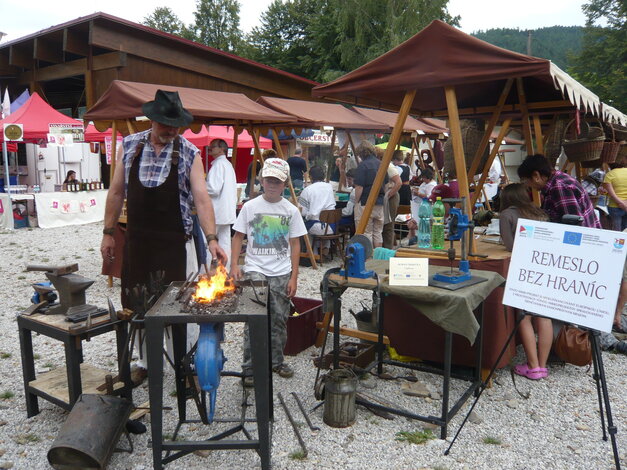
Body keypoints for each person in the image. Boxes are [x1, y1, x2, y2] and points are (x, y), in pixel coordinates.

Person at [100, 89, 226, 384]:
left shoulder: (188, 152)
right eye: (165, 124)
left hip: (174, 245)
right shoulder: (129, 145)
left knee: (182, 305)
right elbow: (116, 192)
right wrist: (107, 234)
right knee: (138, 304)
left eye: (175, 125)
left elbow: (202, 199)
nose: (171, 130)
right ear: (152, 119)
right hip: (139, 244)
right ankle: (145, 363)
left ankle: (186, 364)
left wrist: (211, 239)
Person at [231, 158, 307, 386]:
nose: (272, 184)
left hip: (281, 272)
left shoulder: (291, 210)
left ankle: (276, 361)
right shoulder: (250, 207)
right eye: (269, 180)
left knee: (279, 319)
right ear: (261, 180)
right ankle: (249, 368)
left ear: (284, 183)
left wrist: (294, 276)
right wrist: (235, 264)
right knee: (253, 319)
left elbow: (295, 244)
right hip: (255, 269)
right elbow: (238, 237)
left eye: (277, 181)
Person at [498, 183, 553, 379]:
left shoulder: (506, 215)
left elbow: (509, 245)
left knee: (525, 316)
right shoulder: (540, 213)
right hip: (545, 267)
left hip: (523, 269)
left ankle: (533, 365)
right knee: (544, 314)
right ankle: (543, 365)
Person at [517, 154, 601, 228]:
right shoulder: (555, 181)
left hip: (582, 241)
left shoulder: (560, 187)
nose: (528, 185)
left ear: (536, 176)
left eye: (526, 181)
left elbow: (573, 225)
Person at [206, 138, 237, 268]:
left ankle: (208, 271)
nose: (210, 148)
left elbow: (213, 188)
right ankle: (226, 270)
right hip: (226, 211)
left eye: (213, 146)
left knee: (209, 241)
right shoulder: (227, 165)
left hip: (217, 211)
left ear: (222, 149)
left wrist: (199, 186)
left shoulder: (219, 165)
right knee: (224, 242)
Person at [353, 141, 388, 248]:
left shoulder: (362, 165)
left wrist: (356, 202)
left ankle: (369, 260)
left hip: (365, 202)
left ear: (361, 154)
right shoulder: (381, 164)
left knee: (366, 232)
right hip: (380, 202)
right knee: (378, 232)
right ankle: (378, 258)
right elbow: (386, 183)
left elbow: (359, 187)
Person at [298, 166, 336, 256]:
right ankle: (325, 249)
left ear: (310, 177)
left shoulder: (307, 190)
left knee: (303, 226)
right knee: (317, 223)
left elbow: (302, 212)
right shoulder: (329, 187)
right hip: (332, 227)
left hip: (317, 227)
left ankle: (312, 252)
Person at [376, 147, 401, 249]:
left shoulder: (388, 166)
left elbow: (398, 182)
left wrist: (390, 194)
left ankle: (388, 249)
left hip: (391, 197)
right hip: (388, 196)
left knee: (389, 224)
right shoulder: (383, 165)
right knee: (386, 223)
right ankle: (387, 247)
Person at [602, 160, 627, 231]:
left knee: (616, 231)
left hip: (614, 206)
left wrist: (621, 203)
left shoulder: (609, 175)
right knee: (626, 229)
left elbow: (611, 194)